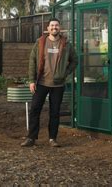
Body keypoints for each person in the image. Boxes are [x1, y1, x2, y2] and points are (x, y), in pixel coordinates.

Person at [21, 17, 78, 148]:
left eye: (56, 25)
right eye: (52, 26)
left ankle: (52, 138)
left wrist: (65, 72)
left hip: (58, 85)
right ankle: (31, 138)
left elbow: (75, 60)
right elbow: (32, 61)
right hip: (41, 83)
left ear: (60, 28)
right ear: (48, 28)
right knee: (35, 109)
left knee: (55, 112)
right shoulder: (40, 42)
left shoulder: (66, 44)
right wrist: (31, 80)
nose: (54, 28)